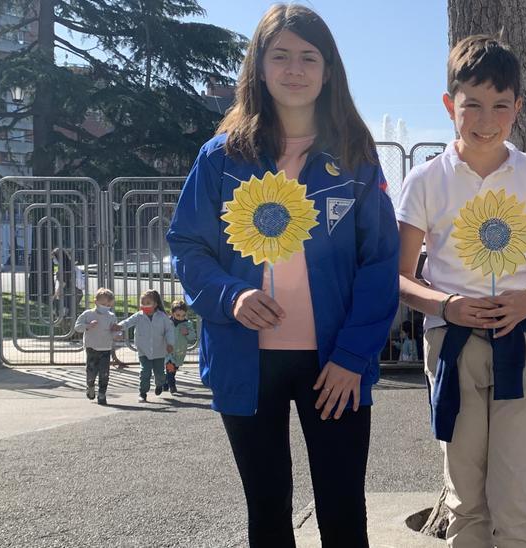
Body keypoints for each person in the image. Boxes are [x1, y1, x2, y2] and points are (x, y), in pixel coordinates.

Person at [166, 5, 399, 547]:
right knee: (267, 512)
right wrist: (231, 295)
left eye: (308, 57)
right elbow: (188, 243)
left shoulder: (357, 157)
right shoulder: (220, 157)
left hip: (333, 366)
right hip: (246, 361)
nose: (295, 69)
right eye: (281, 56)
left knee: (343, 511)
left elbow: (381, 261)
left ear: (327, 69)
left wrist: (352, 357)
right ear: (259, 67)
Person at [396, 35, 526, 548]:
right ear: (450, 106)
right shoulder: (424, 181)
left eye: (500, 105)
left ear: (518, 106)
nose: (486, 119)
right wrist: (448, 305)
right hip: (453, 347)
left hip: (525, 345)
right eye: (472, 104)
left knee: (516, 500)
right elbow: (400, 276)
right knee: (465, 500)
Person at [117, 289, 175, 402]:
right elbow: (128, 322)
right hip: (143, 350)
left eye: (148, 303)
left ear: (155, 304)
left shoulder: (162, 317)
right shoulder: (139, 316)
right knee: (145, 372)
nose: (144, 306)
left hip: (159, 350)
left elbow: (169, 331)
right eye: (142, 303)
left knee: (159, 373)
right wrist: (119, 326)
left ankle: (160, 384)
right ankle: (143, 392)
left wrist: (170, 343)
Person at [73, 288, 121, 406]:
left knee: (104, 373)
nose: (106, 307)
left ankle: (102, 394)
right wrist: (88, 326)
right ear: (96, 302)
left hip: (105, 348)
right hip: (92, 348)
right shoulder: (88, 314)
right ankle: (90, 386)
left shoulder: (111, 316)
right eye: (103, 304)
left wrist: (117, 335)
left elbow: (114, 330)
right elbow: (77, 327)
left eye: (109, 305)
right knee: (91, 371)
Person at [166, 300, 198, 395]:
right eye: (178, 315)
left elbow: (192, 337)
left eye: (183, 315)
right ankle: (172, 386)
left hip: (180, 351)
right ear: (172, 313)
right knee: (170, 367)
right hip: (168, 350)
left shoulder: (188, 324)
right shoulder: (167, 323)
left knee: (174, 368)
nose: (180, 318)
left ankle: (165, 381)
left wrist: (187, 333)